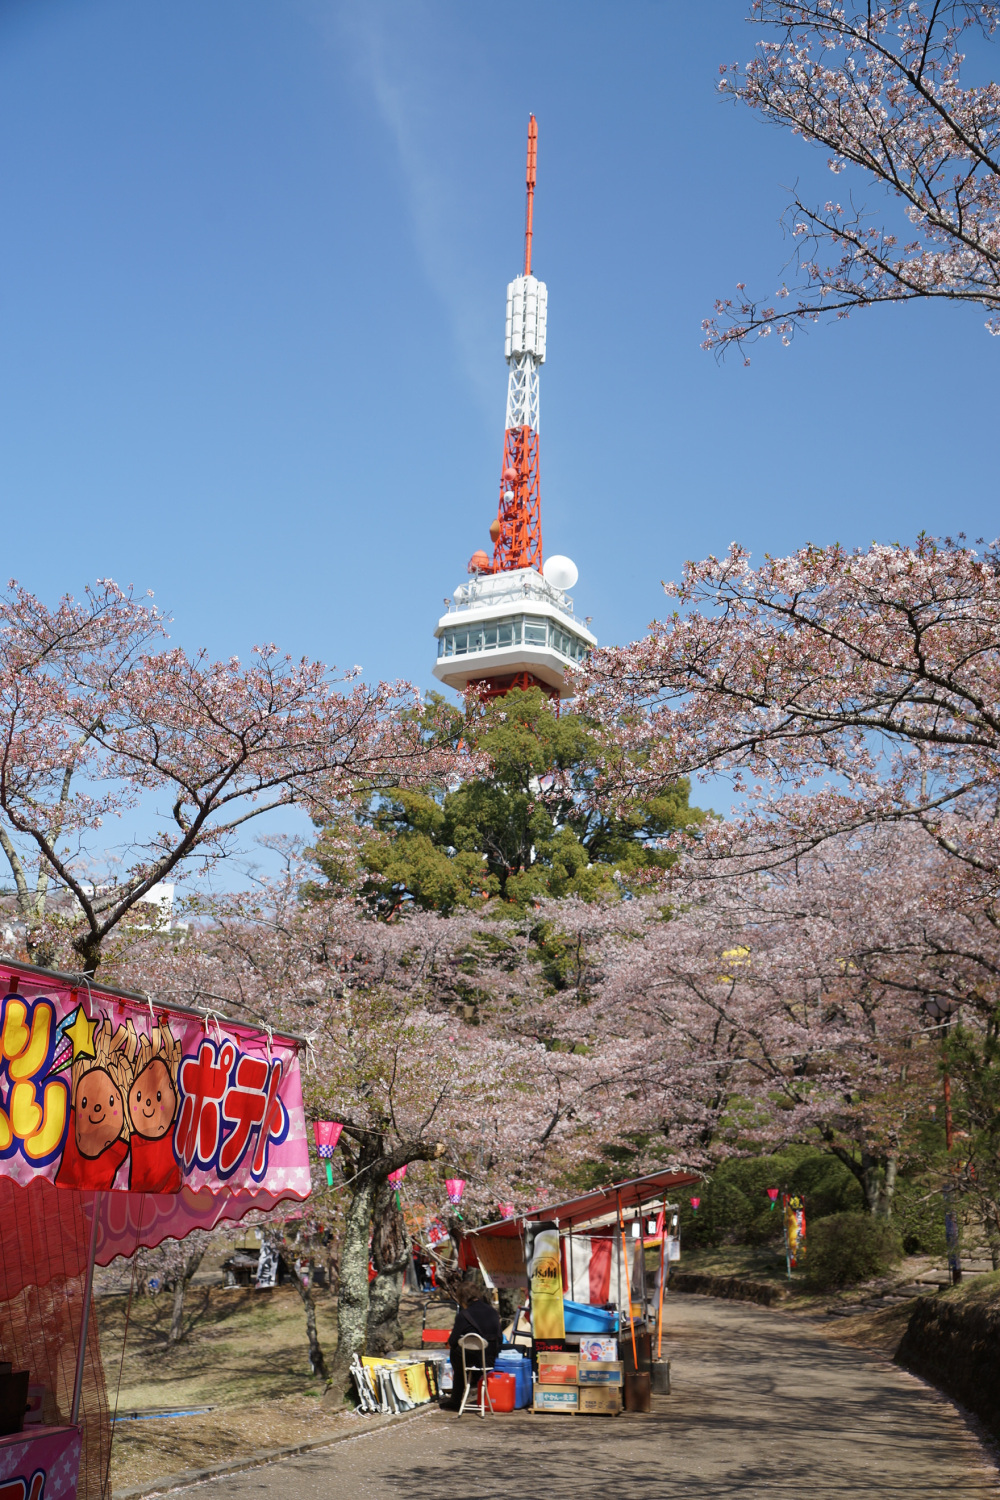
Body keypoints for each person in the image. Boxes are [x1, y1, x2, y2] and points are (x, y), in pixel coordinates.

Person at [443, 1279, 502, 1409]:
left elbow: (452, 1342)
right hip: (490, 1358)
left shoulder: (464, 1315)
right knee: (465, 1353)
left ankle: (456, 1400)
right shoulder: (492, 1311)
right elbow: (500, 1336)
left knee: (456, 1353)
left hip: (470, 1359)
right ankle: (474, 1380)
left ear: (462, 1298)